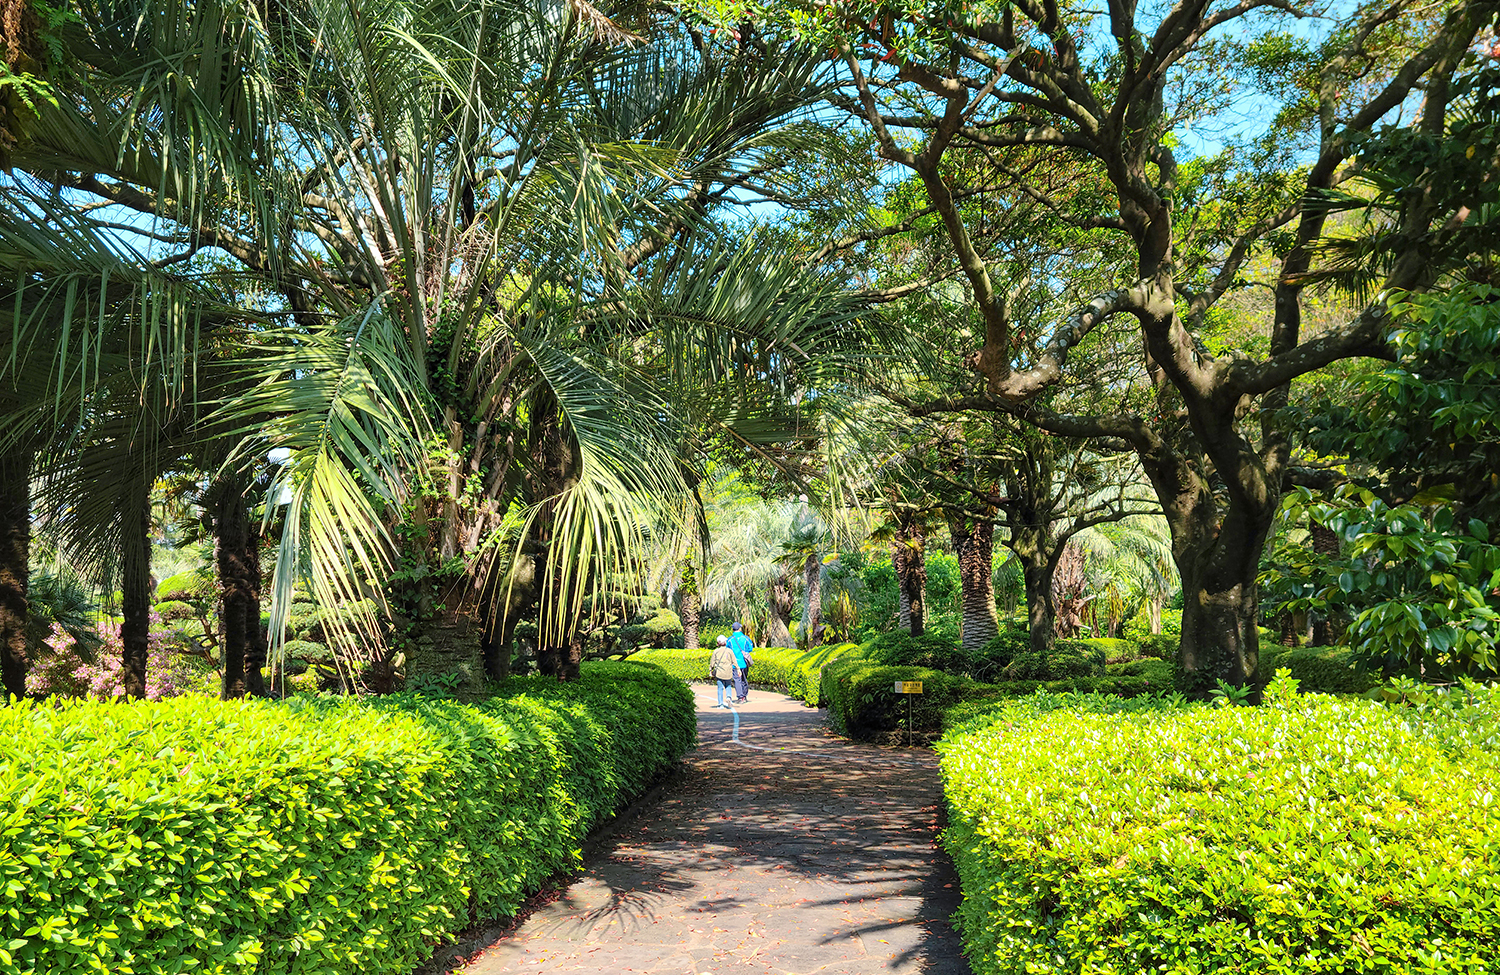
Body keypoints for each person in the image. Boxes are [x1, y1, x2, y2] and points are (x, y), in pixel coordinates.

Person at [728, 622, 754, 704]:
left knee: (737, 680)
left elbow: (727, 650)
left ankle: (740, 697)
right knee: (744, 679)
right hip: (744, 662)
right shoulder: (745, 638)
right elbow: (750, 648)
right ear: (740, 629)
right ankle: (745, 695)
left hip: (734, 663)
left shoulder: (730, 640)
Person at [709, 635, 736, 708]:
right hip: (728, 672)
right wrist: (738, 669)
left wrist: (710, 670)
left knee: (720, 688)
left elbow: (712, 663)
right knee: (728, 686)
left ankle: (720, 704)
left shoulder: (716, 651)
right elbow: (734, 661)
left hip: (719, 673)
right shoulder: (730, 651)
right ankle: (729, 697)